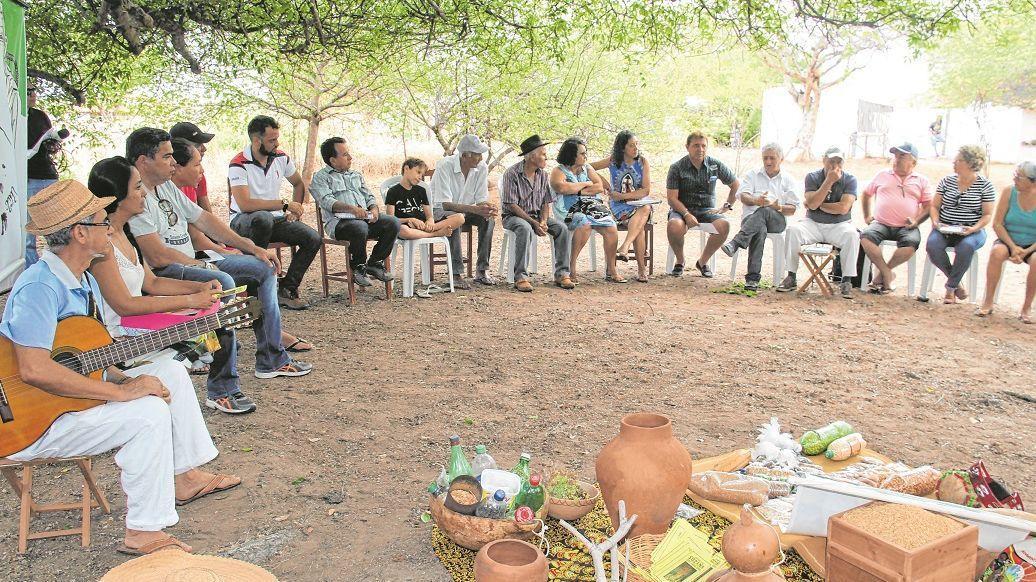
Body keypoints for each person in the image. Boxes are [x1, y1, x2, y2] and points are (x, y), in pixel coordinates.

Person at [2, 179, 240, 555]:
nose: (110, 228)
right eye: (101, 222)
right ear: (80, 234)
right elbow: (34, 370)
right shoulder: (40, 287)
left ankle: (185, 476)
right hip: (31, 420)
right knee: (146, 414)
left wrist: (127, 377)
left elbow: (90, 354)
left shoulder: (80, 281)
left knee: (170, 373)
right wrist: (122, 391)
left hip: (68, 400)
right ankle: (143, 531)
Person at [125, 127, 312, 382]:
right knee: (223, 282)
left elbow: (204, 219)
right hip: (166, 271)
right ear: (143, 161)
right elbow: (157, 257)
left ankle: (271, 358)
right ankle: (222, 387)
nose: (173, 163)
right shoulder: (134, 196)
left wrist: (251, 247)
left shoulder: (164, 187)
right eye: (166, 157)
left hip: (192, 261)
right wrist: (201, 263)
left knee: (263, 266)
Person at [88, 156, 259, 415]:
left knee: (216, 322)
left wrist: (197, 290)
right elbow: (124, 305)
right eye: (136, 187)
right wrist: (190, 301)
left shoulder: (125, 233)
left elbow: (152, 282)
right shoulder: (103, 243)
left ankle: (218, 390)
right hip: (119, 334)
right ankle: (214, 391)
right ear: (118, 196)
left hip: (139, 322)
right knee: (211, 332)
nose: (144, 192)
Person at [228, 116, 321, 311]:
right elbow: (245, 204)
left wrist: (294, 209)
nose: (277, 144)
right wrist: (284, 204)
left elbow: (298, 183)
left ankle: (286, 289)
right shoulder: (238, 163)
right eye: (271, 140)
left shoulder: (281, 157)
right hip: (243, 221)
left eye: (277, 138)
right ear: (256, 141)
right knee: (263, 218)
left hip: (273, 220)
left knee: (313, 238)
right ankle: (256, 294)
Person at [311, 137, 400, 288]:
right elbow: (327, 201)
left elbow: (369, 196)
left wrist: (374, 209)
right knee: (359, 227)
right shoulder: (321, 178)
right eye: (345, 154)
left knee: (392, 222)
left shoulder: (356, 175)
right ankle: (358, 267)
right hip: (340, 224)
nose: (350, 157)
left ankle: (374, 263)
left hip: (364, 220)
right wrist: (353, 209)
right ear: (332, 160)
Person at [777, 147, 859, 299]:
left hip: (839, 224)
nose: (834, 166)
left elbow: (843, 208)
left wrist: (819, 204)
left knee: (852, 235)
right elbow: (812, 205)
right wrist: (828, 181)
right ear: (824, 160)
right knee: (793, 230)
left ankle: (847, 280)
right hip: (813, 223)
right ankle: (791, 276)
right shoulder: (813, 177)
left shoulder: (850, 179)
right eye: (831, 161)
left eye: (838, 162)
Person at [720, 143, 800, 291]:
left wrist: (778, 207)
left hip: (777, 220)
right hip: (750, 219)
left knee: (764, 211)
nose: (768, 162)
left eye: (772, 158)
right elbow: (742, 195)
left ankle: (736, 243)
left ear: (781, 159)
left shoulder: (788, 179)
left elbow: (793, 208)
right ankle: (752, 280)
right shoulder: (753, 174)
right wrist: (757, 201)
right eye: (765, 158)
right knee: (760, 228)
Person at [500, 135, 573, 292]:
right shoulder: (511, 174)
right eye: (543, 153)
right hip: (514, 217)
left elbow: (546, 202)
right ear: (532, 156)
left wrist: (544, 221)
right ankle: (520, 277)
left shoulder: (542, 175)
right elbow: (512, 205)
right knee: (524, 228)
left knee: (562, 228)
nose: (546, 157)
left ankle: (562, 274)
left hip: (536, 216)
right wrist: (533, 223)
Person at [926, 145, 996, 305]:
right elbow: (934, 206)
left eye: (959, 160)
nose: (954, 163)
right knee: (932, 245)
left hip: (972, 230)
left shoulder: (985, 186)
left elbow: (987, 215)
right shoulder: (946, 181)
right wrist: (935, 222)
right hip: (945, 227)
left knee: (966, 247)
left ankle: (950, 288)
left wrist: (974, 228)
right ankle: (957, 283)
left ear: (971, 163)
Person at [859, 143, 933, 293]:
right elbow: (866, 194)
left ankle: (882, 273)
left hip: (906, 226)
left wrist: (917, 221)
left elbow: (929, 206)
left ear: (913, 162)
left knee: (910, 244)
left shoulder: (921, 180)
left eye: (902, 156)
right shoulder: (882, 175)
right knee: (866, 237)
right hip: (881, 223)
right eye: (895, 156)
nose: (896, 160)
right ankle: (886, 273)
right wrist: (867, 215)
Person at [551, 137, 625, 283]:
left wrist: (576, 190)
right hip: (567, 208)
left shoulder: (587, 168)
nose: (585, 156)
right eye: (582, 154)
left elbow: (598, 187)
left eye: (586, 153)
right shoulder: (558, 171)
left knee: (611, 226)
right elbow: (561, 188)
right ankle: (570, 268)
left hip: (590, 205)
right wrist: (585, 184)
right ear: (572, 155)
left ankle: (611, 269)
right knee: (583, 224)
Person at [666, 132, 739, 277]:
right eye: (696, 146)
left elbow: (735, 184)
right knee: (674, 226)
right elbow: (672, 198)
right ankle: (680, 261)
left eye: (703, 146)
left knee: (724, 225)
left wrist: (727, 205)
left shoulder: (715, 165)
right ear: (687, 147)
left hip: (707, 209)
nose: (700, 149)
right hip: (682, 208)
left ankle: (703, 262)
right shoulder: (677, 167)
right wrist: (686, 214)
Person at [429, 134, 498, 288]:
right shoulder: (444, 165)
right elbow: (446, 204)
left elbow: (480, 198)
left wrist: (487, 206)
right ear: (465, 155)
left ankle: (482, 271)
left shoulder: (481, 167)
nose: (480, 158)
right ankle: (456, 273)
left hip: (466, 209)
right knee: (455, 218)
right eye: (477, 155)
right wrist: (475, 209)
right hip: (440, 210)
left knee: (488, 219)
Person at [591, 130, 652, 282]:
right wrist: (603, 182)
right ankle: (641, 269)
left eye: (637, 144)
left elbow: (646, 190)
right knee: (639, 228)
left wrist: (623, 196)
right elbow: (587, 168)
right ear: (622, 148)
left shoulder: (642, 162)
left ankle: (625, 246)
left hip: (638, 203)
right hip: (618, 207)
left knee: (645, 208)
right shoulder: (613, 161)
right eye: (632, 145)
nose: (636, 148)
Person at [979, 161, 1036, 321]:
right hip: (1008, 239)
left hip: (1032, 245)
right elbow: (997, 223)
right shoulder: (1008, 192)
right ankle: (988, 301)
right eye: (1015, 176)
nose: (1015, 180)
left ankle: (1026, 307)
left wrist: (1026, 250)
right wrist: (1013, 247)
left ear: (1033, 181)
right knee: (997, 252)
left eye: (1020, 177)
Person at [25, 82, 69, 266]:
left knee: (56, 227)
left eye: (34, 90)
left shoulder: (41, 116)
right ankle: (31, 270)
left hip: (47, 174)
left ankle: (60, 266)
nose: (33, 94)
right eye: (28, 91)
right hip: (26, 177)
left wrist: (54, 140)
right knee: (28, 232)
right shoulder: (12, 116)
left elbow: (51, 146)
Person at [385, 158, 465, 239]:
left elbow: (429, 216)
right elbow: (391, 219)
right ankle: (435, 234)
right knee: (402, 230)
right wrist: (410, 219)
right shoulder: (393, 191)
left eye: (422, 175)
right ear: (406, 169)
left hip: (424, 226)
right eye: (418, 172)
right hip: (407, 226)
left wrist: (430, 222)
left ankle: (432, 230)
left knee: (460, 218)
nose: (420, 177)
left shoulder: (421, 191)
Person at [169, 122, 214, 212]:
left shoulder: (197, 175)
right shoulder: (164, 187)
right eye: (198, 145)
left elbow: (205, 214)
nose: (204, 149)